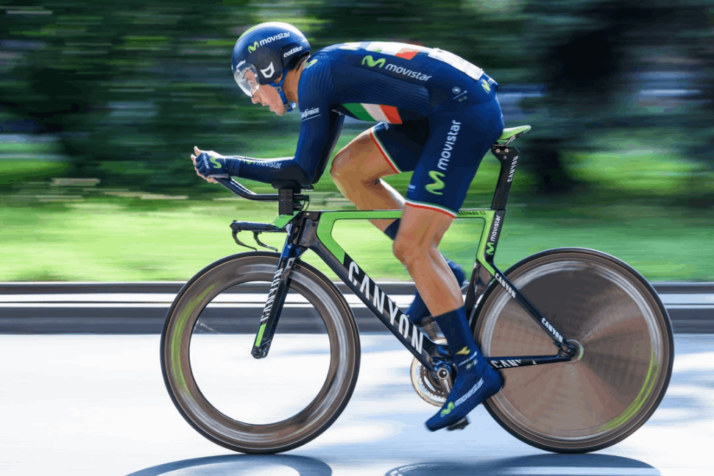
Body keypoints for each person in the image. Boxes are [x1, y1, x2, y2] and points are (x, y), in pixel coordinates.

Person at [191, 22, 504, 431]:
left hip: (462, 112)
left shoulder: (318, 76)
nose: (252, 96)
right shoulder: (323, 78)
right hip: (441, 110)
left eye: (250, 80)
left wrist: (229, 163)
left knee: (411, 248)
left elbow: (301, 171)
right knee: (349, 170)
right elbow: (316, 168)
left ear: (270, 67)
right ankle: (444, 272)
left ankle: (472, 368)